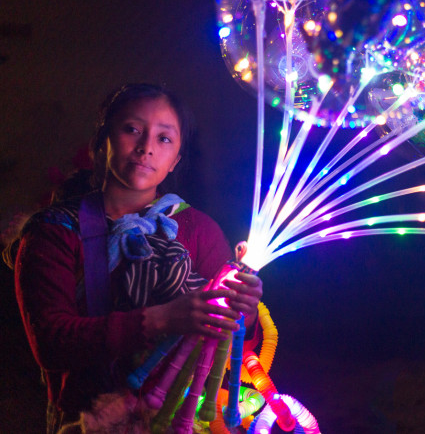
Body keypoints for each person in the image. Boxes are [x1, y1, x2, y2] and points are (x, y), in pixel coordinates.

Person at [14, 83, 263, 433]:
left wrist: (243, 312)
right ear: (103, 141)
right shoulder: (54, 231)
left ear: (176, 159)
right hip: (87, 422)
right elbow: (52, 343)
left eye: (164, 139)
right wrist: (161, 319)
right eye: (132, 130)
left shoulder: (199, 229)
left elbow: (230, 338)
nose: (146, 148)